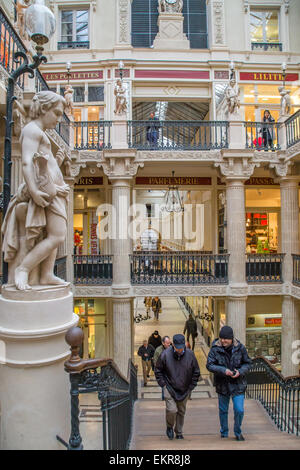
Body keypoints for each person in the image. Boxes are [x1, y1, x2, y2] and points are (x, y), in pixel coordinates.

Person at [2, 91, 70, 290]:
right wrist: (33, 191)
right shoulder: (32, 130)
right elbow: (26, 163)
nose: (59, 119)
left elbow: (45, 163)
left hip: (53, 191)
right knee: (57, 235)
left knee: (54, 233)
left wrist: (58, 180)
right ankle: (23, 269)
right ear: (43, 108)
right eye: (57, 113)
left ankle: (46, 274)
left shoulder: (40, 132)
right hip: (44, 192)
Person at [206, 325, 252, 441]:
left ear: (231, 338)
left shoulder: (240, 348)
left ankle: (237, 431)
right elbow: (209, 365)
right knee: (223, 410)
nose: (223, 341)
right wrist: (223, 370)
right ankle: (224, 432)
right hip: (223, 384)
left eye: (226, 339)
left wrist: (240, 372)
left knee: (239, 409)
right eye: (221, 338)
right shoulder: (215, 348)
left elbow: (247, 363)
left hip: (238, 383)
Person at [155, 334, 200, 440]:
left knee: (181, 411)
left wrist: (191, 386)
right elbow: (158, 370)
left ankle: (179, 432)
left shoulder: (190, 354)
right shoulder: (165, 355)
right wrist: (163, 384)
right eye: (177, 347)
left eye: (181, 347)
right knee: (172, 410)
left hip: (185, 388)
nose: (179, 350)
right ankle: (169, 426)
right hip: (169, 387)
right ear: (172, 345)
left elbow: (196, 371)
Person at [153, 336, 171, 400]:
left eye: (169, 343)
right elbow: (155, 362)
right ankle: (164, 398)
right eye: (167, 343)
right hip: (162, 371)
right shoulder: (158, 350)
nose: (169, 344)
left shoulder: (172, 349)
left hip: (170, 371)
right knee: (164, 385)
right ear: (163, 343)